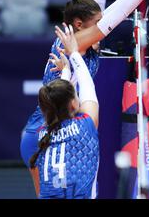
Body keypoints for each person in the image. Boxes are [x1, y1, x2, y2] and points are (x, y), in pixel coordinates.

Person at [18, 0, 149, 196]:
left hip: (61, 130)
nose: (103, 29)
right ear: (79, 25)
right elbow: (119, 10)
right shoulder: (71, 42)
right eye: (96, 23)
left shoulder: (80, 46)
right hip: (43, 133)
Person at [31, 23, 99, 198]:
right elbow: (87, 85)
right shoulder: (84, 127)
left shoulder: (41, 135)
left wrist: (66, 72)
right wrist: (74, 53)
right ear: (73, 105)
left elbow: (59, 99)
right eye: (76, 96)